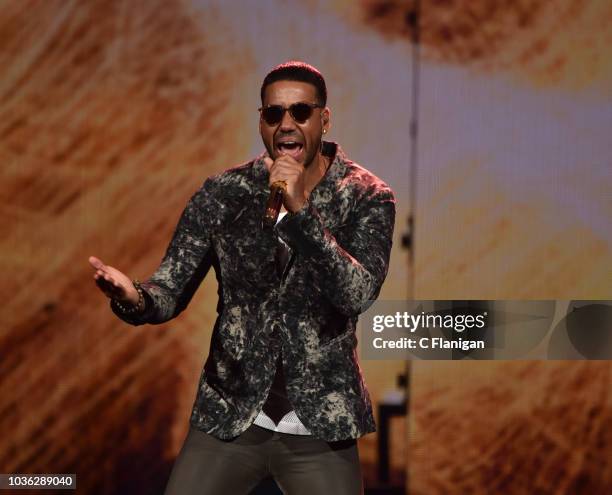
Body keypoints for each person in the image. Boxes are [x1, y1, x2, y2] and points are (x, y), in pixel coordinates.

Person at [89, 61, 395, 495]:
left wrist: (301, 213)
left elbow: (357, 293)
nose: (286, 125)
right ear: (261, 121)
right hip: (231, 413)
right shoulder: (224, 193)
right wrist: (132, 297)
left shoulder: (367, 196)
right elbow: (169, 291)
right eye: (274, 114)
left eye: (300, 112)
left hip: (318, 424)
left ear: (323, 119)